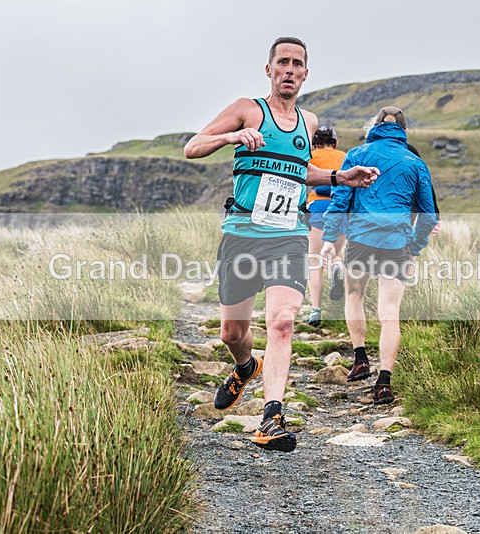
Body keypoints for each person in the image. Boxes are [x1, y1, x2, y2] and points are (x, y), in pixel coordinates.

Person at [184, 37, 379, 452]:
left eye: (298, 64)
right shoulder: (247, 109)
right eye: (283, 62)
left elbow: (300, 170)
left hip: (289, 233)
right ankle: (244, 366)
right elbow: (192, 147)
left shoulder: (308, 122)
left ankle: (271, 416)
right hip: (242, 233)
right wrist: (231, 138)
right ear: (269, 69)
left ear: (306, 74)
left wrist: (340, 178)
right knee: (232, 332)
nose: (290, 69)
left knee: (283, 321)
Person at [321, 106, 437, 404]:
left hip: (360, 239)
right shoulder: (415, 162)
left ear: (373, 126)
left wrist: (330, 239)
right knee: (389, 313)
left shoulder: (357, 155)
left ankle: (360, 358)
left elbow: (340, 200)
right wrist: (414, 246)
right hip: (396, 242)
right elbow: (428, 214)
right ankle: (383, 382)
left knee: (354, 296)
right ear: (404, 131)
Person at [304, 125, 347, 327]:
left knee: (315, 261)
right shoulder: (345, 156)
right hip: (342, 208)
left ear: (316, 143)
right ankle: (337, 267)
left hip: (319, 205)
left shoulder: (311, 155)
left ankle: (316, 310)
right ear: (335, 142)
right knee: (332, 253)